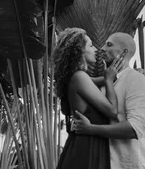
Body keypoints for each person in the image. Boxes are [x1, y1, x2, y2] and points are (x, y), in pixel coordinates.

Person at [72, 32, 145, 169]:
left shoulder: (137, 79)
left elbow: (134, 129)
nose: (102, 48)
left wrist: (90, 129)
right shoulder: (105, 83)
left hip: (131, 164)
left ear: (124, 52)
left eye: (109, 44)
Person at [53, 27, 125, 169]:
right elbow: (112, 111)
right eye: (91, 45)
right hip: (87, 149)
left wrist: (134, 73)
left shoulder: (77, 77)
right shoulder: (80, 77)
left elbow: (102, 79)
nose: (96, 49)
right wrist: (109, 80)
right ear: (80, 51)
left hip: (85, 145)